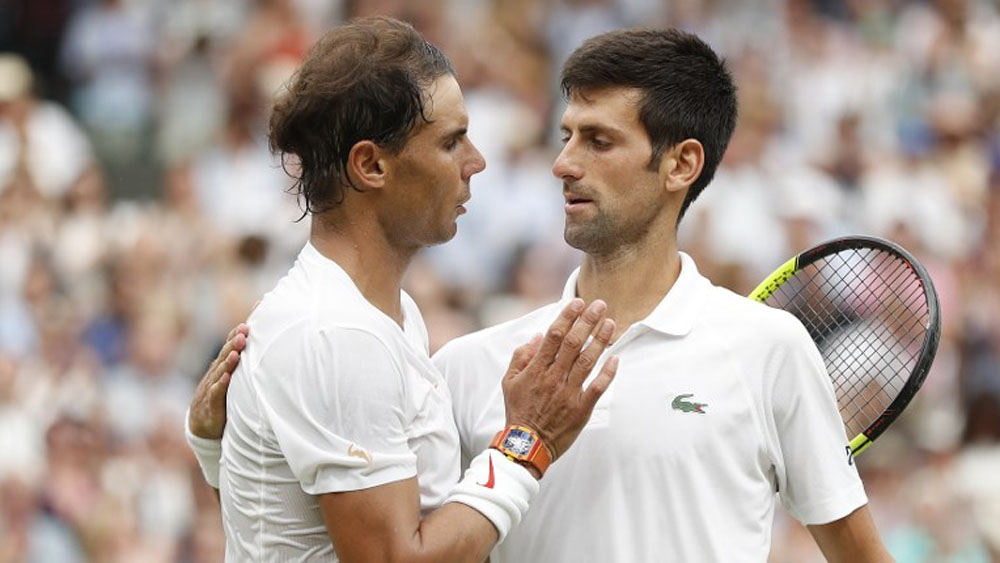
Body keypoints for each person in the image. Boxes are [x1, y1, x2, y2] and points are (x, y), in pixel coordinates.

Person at [191, 27, 893, 562]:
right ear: (370, 166)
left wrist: (226, 450)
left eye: (597, 140)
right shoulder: (465, 364)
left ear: (682, 164)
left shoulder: (767, 349)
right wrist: (527, 440)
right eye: (566, 136)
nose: (562, 163)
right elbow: (369, 539)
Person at [184, 17, 619, 562]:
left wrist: (215, 451)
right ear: (370, 165)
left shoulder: (385, 316)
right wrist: (528, 440)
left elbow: (287, 521)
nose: (476, 163)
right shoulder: (338, 334)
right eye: (451, 142)